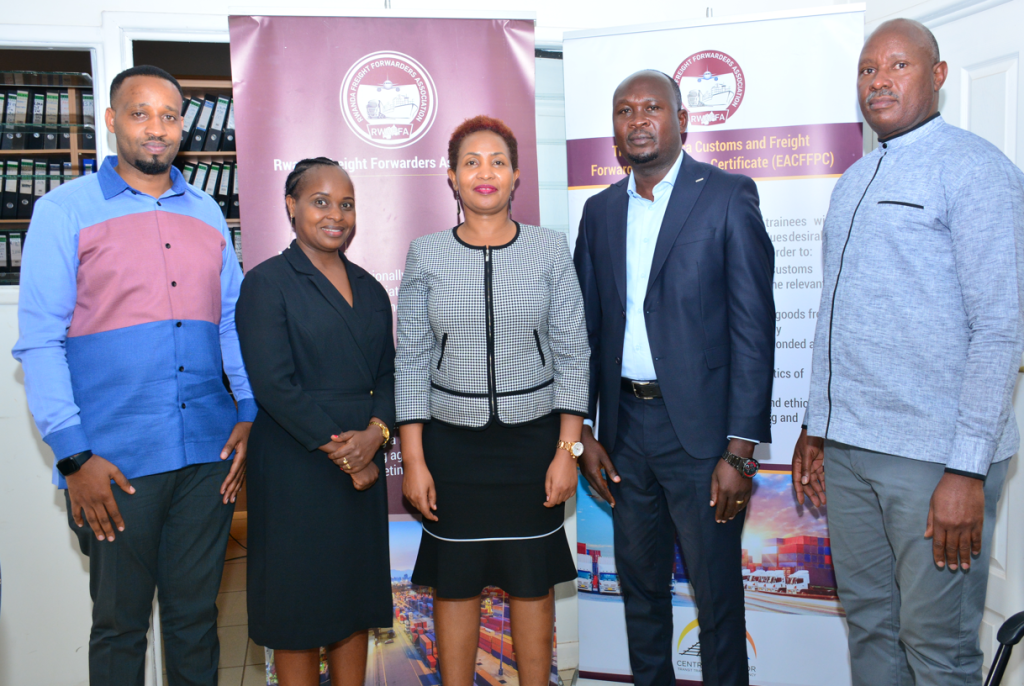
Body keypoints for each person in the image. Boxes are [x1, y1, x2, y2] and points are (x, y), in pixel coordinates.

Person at [792, 19, 1024, 686]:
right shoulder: (854, 179)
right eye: (868, 69)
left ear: (938, 75)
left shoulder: (978, 170)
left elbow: (999, 330)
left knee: (937, 648)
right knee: (870, 625)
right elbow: (836, 313)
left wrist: (966, 471)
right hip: (849, 451)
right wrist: (816, 426)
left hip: (934, 461)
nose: (879, 81)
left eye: (898, 65)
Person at [11, 65, 255, 685]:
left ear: (183, 127)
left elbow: (231, 321)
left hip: (207, 457)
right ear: (112, 120)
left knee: (195, 621)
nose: (156, 128)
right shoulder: (63, 211)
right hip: (112, 463)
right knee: (120, 628)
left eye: (169, 116)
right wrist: (74, 458)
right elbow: (40, 342)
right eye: (140, 113)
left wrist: (249, 410)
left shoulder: (207, 213)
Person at [573, 71, 775, 686]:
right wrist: (584, 432)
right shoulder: (600, 211)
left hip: (703, 438)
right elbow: (584, 330)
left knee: (717, 599)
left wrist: (739, 451)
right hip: (623, 433)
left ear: (681, 120)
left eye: (652, 107)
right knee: (641, 593)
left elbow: (753, 329)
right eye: (624, 110)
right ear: (614, 129)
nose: (637, 120)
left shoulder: (727, 196)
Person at [395, 115, 590, 686]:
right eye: (472, 162)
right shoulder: (427, 253)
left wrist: (568, 452)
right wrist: (414, 461)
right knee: (455, 583)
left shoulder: (549, 249)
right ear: (452, 177)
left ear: (516, 176)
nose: (486, 173)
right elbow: (411, 361)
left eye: (498, 162)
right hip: (451, 447)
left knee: (532, 582)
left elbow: (573, 353)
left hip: (534, 445)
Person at [234, 157, 394, 686]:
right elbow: (273, 386)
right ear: (291, 205)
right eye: (320, 202)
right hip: (296, 466)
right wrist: (348, 455)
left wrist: (376, 434)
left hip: (363, 460)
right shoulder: (266, 283)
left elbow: (389, 374)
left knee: (353, 602)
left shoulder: (370, 288)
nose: (336, 215)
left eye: (346, 204)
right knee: (297, 610)